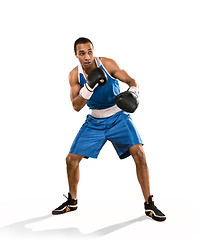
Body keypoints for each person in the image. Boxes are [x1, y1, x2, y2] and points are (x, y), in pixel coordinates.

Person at [52, 37, 166, 222]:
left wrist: (133, 94)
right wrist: (88, 87)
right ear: (76, 55)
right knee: (71, 160)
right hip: (94, 121)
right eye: (82, 53)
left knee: (139, 153)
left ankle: (149, 204)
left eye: (90, 51)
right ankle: (72, 201)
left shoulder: (107, 63)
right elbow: (76, 106)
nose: (87, 56)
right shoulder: (75, 75)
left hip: (118, 118)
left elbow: (132, 80)